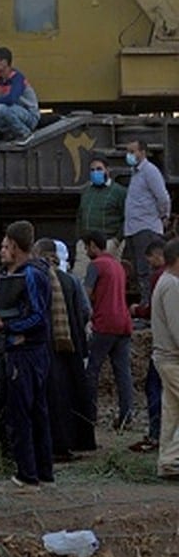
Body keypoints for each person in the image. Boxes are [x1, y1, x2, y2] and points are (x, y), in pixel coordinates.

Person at [0, 221, 53, 488]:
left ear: (14, 246)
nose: (1, 251)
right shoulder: (25, 273)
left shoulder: (31, 275)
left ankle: (28, 475)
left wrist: (6, 326)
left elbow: (37, 315)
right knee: (36, 413)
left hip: (26, 353)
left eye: (5, 246)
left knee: (23, 414)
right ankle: (43, 473)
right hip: (30, 351)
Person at [31, 238, 95, 459]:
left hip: (51, 347)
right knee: (75, 394)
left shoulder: (40, 279)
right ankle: (80, 441)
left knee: (56, 398)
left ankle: (58, 444)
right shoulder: (71, 281)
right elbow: (85, 311)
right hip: (73, 344)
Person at [81, 231, 134, 430]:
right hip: (124, 322)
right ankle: (127, 415)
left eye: (87, 247)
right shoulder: (117, 265)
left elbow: (86, 295)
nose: (86, 251)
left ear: (93, 245)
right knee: (123, 372)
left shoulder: (96, 266)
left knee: (92, 370)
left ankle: (89, 415)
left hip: (105, 323)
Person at [129, 240, 167, 455]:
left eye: (150, 258)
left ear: (159, 255)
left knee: (153, 387)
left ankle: (155, 432)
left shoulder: (160, 278)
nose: (149, 262)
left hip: (164, 346)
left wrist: (137, 310)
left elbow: (155, 309)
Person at [123, 137, 171, 301]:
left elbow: (163, 197)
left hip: (146, 227)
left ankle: (150, 305)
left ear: (142, 152)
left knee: (147, 271)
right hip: (134, 228)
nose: (128, 155)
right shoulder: (135, 173)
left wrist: (164, 216)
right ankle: (146, 304)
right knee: (140, 271)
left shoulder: (150, 171)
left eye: (132, 151)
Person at [150, 238, 179, 479]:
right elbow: (178, 328)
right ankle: (170, 460)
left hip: (166, 357)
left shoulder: (166, 282)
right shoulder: (171, 286)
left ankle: (168, 462)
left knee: (172, 410)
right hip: (172, 358)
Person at [72, 156, 127, 282]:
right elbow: (80, 216)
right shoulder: (87, 191)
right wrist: (80, 238)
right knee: (80, 277)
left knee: (107, 280)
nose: (95, 172)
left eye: (99, 169)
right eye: (92, 170)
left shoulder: (120, 192)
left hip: (108, 244)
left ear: (107, 170)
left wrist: (116, 240)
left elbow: (127, 218)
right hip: (86, 245)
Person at [0, 47, 39, 140]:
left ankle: (26, 134)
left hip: (29, 116)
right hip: (12, 114)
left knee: (1, 109)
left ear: (4, 63)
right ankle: (6, 132)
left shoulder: (17, 78)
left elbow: (11, 99)